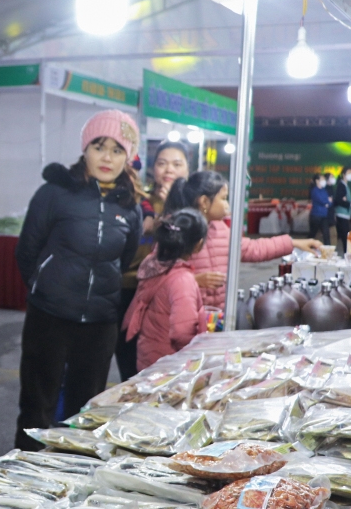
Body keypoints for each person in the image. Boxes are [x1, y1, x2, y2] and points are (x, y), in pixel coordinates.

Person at [14, 110, 143, 451]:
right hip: (49, 316)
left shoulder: (130, 205)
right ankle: (24, 473)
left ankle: (69, 477)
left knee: (84, 411)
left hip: (100, 322)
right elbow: (27, 250)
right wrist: (47, 287)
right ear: (85, 149)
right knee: (36, 406)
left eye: (117, 150)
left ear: (127, 157)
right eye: (99, 147)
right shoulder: (54, 193)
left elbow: (124, 257)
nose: (107, 157)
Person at [164, 171, 321, 312]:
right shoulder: (177, 230)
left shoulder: (221, 230)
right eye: (223, 199)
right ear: (204, 202)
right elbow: (160, 278)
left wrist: (293, 243)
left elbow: (252, 248)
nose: (227, 205)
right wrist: (194, 281)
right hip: (184, 316)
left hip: (215, 318)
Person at [116, 140, 190, 381]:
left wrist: (174, 207)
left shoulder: (194, 206)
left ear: (187, 169)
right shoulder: (138, 202)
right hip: (129, 290)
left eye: (177, 164)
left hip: (168, 296)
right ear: (153, 169)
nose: (169, 169)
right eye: (162, 163)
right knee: (130, 363)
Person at [123, 209, 209, 371]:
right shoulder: (182, 280)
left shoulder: (152, 264)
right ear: (198, 245)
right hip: (170, 368)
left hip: (149, 358)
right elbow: (182, 334)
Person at [332, 167, 351, 254]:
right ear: (343, 175)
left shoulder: (346, 185)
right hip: (341, 214)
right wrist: (348, 203)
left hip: (346, 214)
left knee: (342, 234)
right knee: (345, 235)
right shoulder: (341, 186)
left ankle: (345, 252)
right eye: (348, 173)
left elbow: (346, 199)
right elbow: (338, 200)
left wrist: (349, 201)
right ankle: (346, 253)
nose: (350, 175)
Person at [308, 173, 332, 246]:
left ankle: (328, 252)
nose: (324, 181)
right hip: (316, 216)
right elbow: (323, 201)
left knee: (326, 235)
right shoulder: (314, 191)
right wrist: (327, 202)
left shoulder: (324, 190)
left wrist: (327, 202)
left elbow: (330, 202)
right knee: (312, 234)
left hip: (324, 216)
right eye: (322, 179)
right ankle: (305, 248)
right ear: (317, 181)